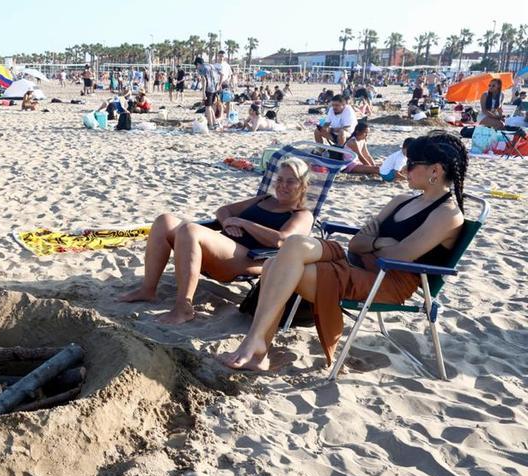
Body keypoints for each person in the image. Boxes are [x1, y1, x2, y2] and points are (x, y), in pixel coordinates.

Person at [218, 131, 467, 370]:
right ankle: (257, 345)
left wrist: (379, 243)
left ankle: (256, 346)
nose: (405, 168)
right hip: (353, 265)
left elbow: (397, 257)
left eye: (412, 163)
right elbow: (357, 243)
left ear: (435, 170)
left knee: (274, 265)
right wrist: (382, 242)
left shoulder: (447, 215)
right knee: (293, 244)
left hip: (384, 282)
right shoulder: (401, 201)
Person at [119, 158, 315, 324]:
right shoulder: (263, 199)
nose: (282, 185)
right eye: (280, 179)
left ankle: (183, 307)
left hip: (251, 259)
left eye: (291, 182)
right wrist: (228, 222)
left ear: (303, 185)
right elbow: (223, 210)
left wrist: (243, 223)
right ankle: (148, 289)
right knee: (165, 220)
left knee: (189, 229)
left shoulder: (302, 214)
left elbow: (281, 241)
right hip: (224, 248)